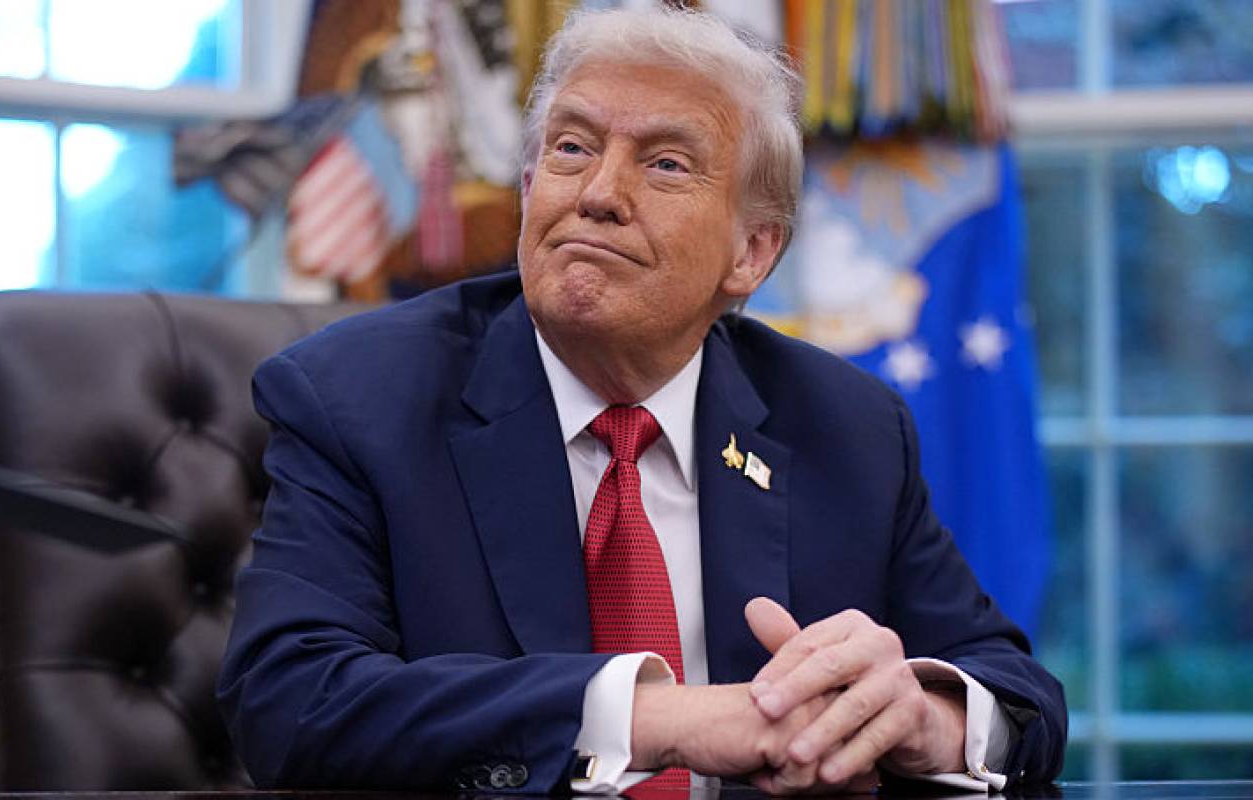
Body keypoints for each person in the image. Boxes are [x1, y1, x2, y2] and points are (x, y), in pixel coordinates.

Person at [218, 6, 1065, 794]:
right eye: (572, 149)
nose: (597, 194)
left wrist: (923, 716)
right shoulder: (356, 399)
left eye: (665, 163)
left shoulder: (846, 426)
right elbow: (289, 699)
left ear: (752, 254)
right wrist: (656, 717)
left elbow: (1019, 692)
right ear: (527, 190)